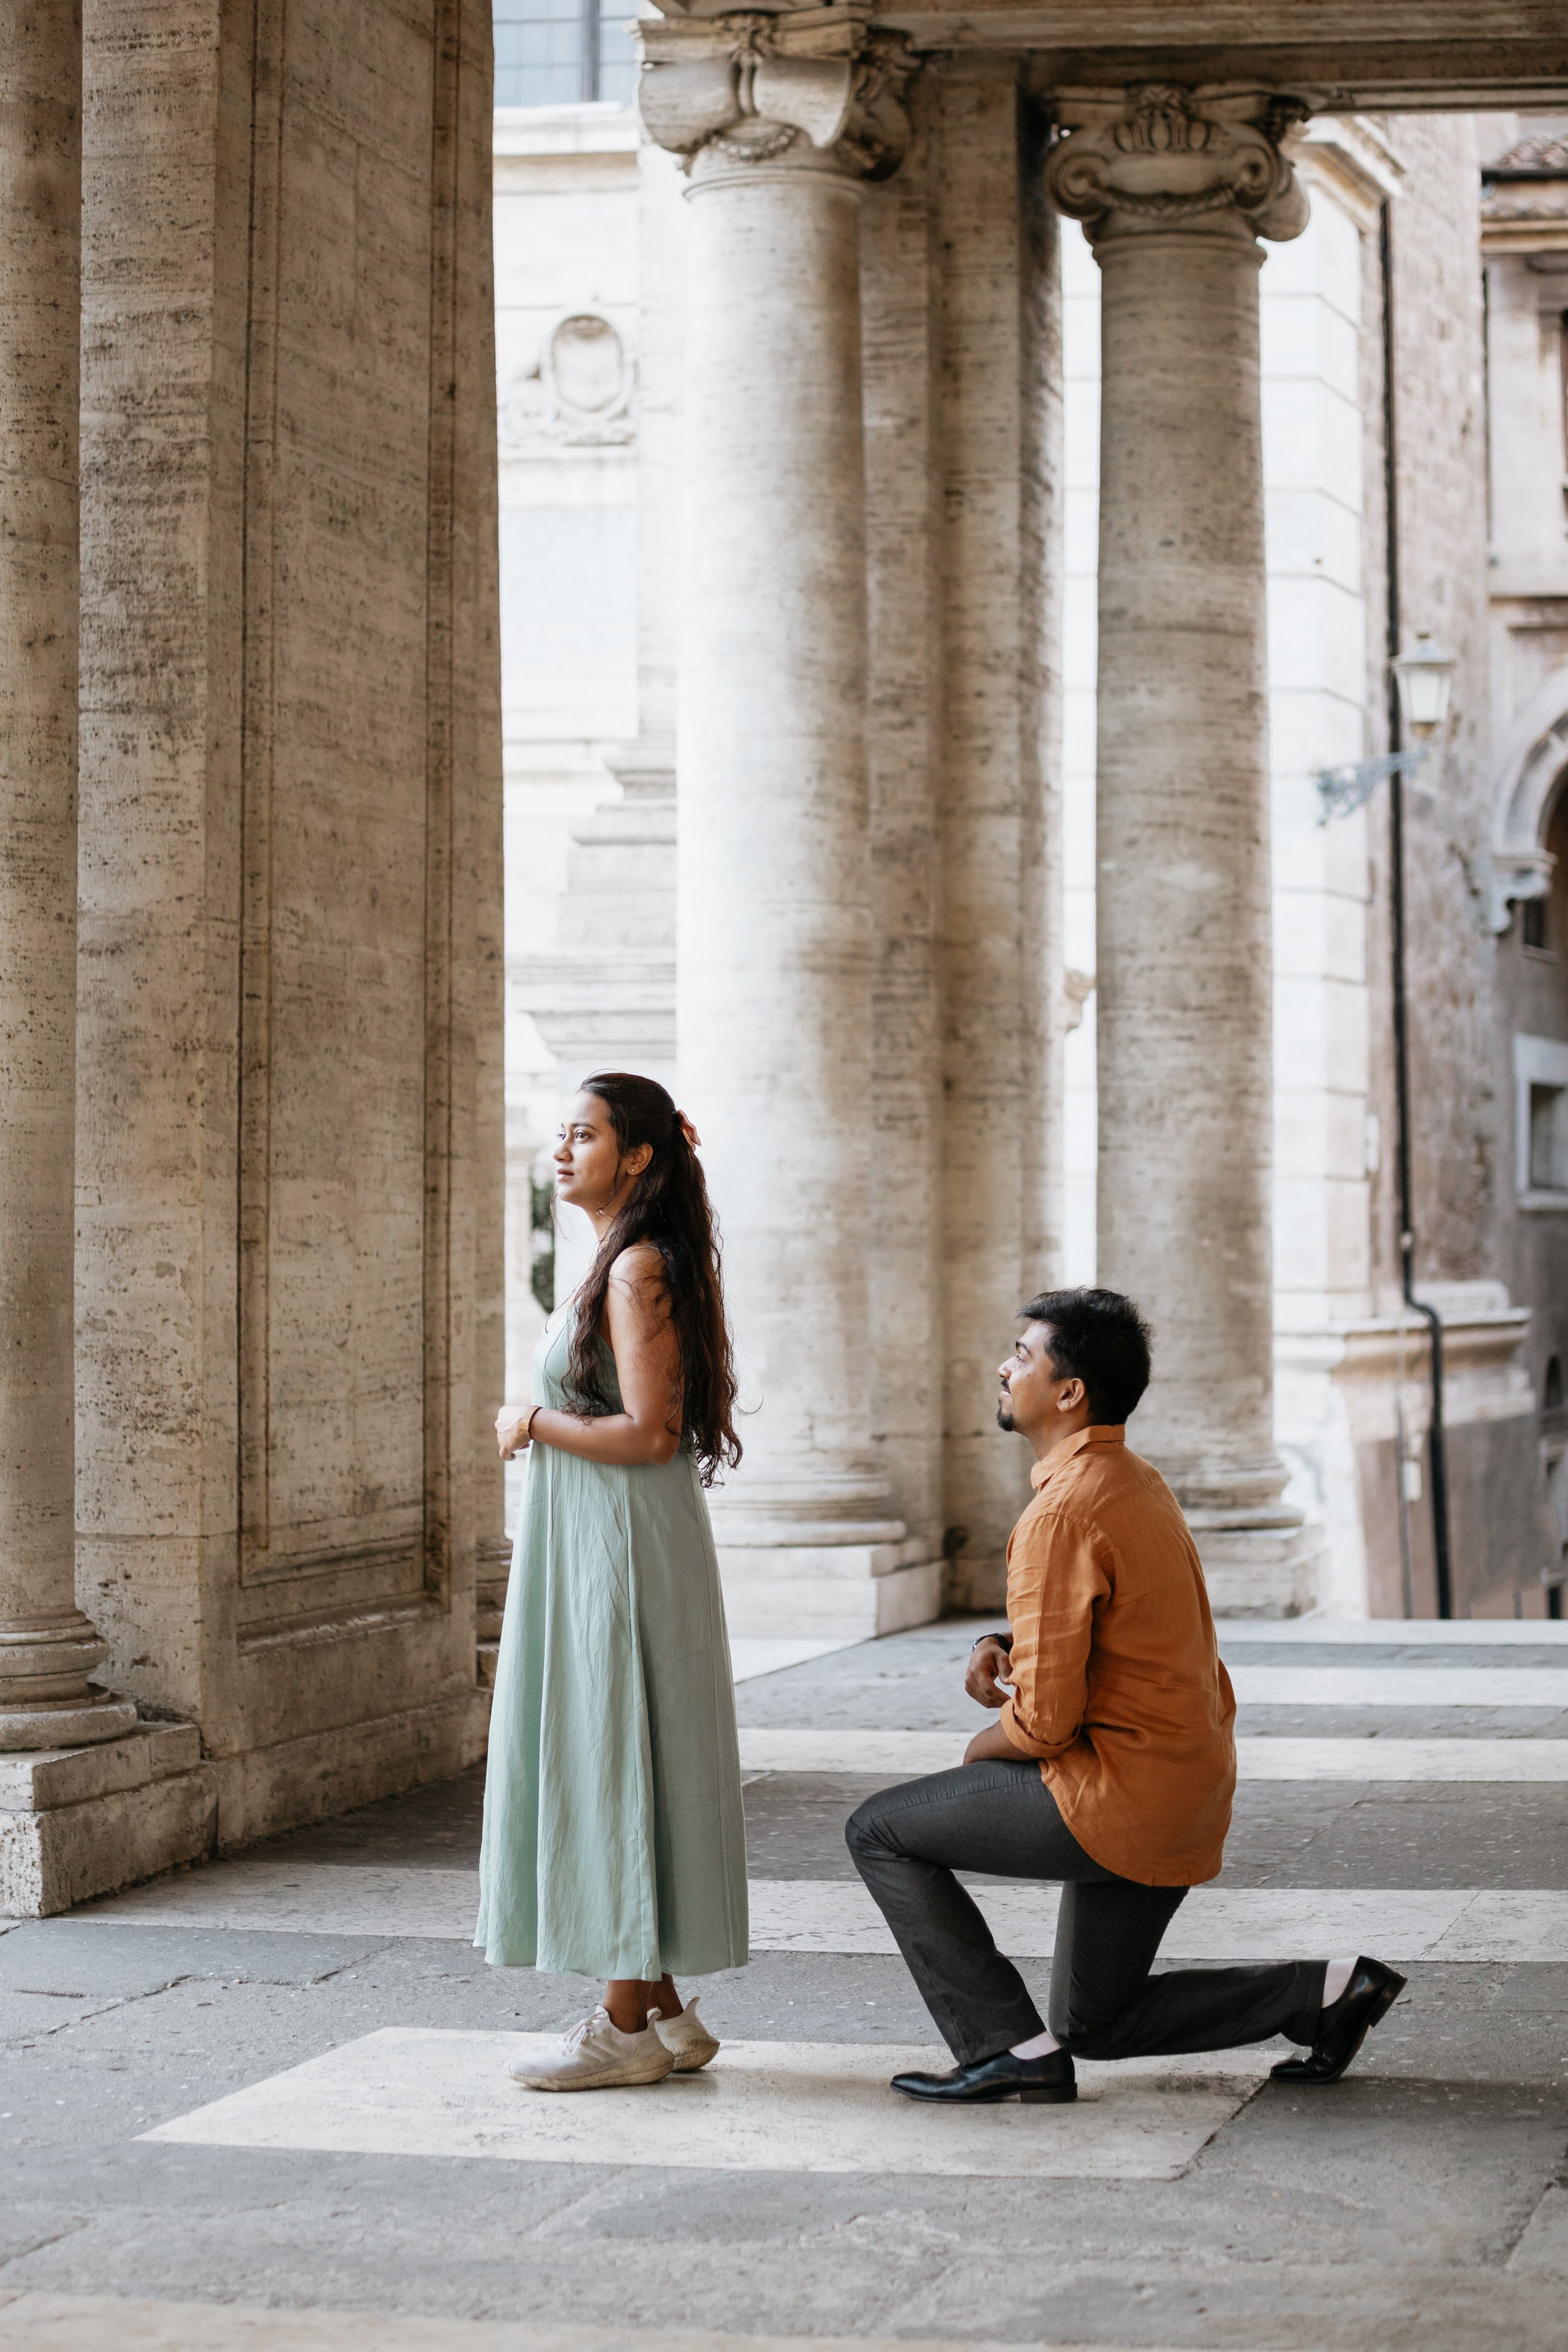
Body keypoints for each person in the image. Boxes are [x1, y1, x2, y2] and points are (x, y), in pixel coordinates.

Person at [846, 1286, 1405, 2105]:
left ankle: (1007, 2049)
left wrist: (978, 1754)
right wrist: (997, 1642)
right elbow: (1106, 1626)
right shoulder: (1132, 1481)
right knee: (1096, 2024)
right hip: (1184, 1781)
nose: (1004, 1368)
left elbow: (1042, 1725)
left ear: (1069, 1392)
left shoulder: (1060, 1515)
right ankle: (1326, 1993)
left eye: (1023, 1356)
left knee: (881, 1830)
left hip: (1119, 1797)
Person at [477, 1072, 748, 2092]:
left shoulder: (636, 1269)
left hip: (619, 1547)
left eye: (582, 1136)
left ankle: (621, 2028)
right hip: (608, 1537)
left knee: (612, 1754)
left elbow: (648, 1433)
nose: (562, 1152)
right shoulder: (623, 1261)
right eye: (560, 1134)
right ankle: (667, 2013)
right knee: (622, 1751)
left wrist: (528, 1421)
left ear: (636, 1156)